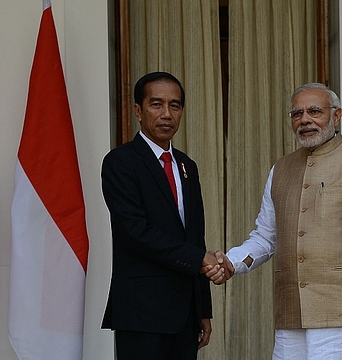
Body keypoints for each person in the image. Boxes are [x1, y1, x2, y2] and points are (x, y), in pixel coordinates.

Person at [203, 83, 342, 359]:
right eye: (297, 113)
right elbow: (265, 237)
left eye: (314, 111)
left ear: (336, 117)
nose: (304, 120)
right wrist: (232, 262)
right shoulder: (281, 169)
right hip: (292, 322)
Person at [102, 71, 222, 359]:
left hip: (185, 315)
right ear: (138, 112)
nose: (167, 114)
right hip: (142, 313)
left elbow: (195, 237)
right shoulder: (121, 162)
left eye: (175, 105)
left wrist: (203, 309)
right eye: (156, 105)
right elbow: (135, 232)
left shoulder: (187, 166)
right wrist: (198, 259)